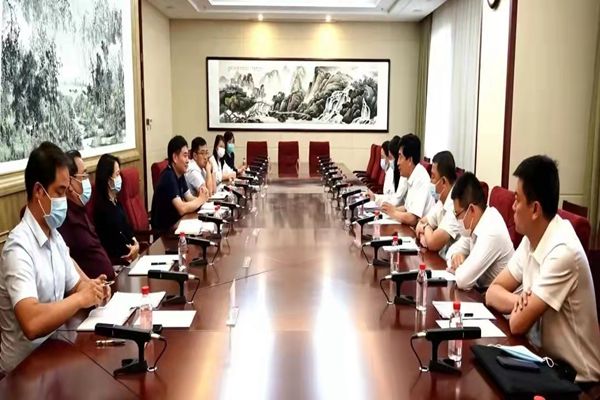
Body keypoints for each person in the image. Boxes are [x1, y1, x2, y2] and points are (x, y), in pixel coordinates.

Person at [486, 155, 600, 383]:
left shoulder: (564, 252)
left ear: (535, 209)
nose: (513, 207)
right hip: (542, 360)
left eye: (517, 200)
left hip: (577, 380)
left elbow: (517, 324)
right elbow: (492, 292)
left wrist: (518, 307)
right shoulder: (531, 239)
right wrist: (517, 301)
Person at [0, 142, 110, 374]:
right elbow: (31, 322)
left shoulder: (54, 237)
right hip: (22, 373)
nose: (65, 200)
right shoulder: (18, 247)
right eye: (59, 192)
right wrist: (80, 299)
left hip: (54, 354)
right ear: (39, 192)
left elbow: (77, 285)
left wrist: (93, 290)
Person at [445, 172, 514, 290]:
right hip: (481, 292)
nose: (457, 220)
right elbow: (450, 251)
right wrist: (455, 256)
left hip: (498, 298)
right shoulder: (475, 224)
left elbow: (463, 280)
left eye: (457, 214)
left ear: (471, 210)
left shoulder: (491, 230)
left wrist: (460, 266)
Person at [57, 150, 115, 279]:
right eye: (83, 176)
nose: (87, 180)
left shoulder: (81, 209)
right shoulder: (63, 218)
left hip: (109, 281)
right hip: (91, 287)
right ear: (69, 182)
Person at [151, 135, 209, 232]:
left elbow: (189, 197)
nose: (188, 160)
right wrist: (200, 200)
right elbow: (181, 208)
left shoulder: (180, 174)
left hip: (177, 225)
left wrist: (204, 200)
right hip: (165, 234)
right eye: (185, 156)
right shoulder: (168, 177)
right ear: (175, 157)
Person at [93, 154, 140, 265]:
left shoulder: (116, 202)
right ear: (108, 179)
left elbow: (127, 229)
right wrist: (132, 250)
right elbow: (113, 242)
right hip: (119, 263)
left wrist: (136, 244)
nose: (120, 178)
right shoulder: (102, 209)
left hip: (131, 258)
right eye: (117, 174)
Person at [381, 134, 434, 226]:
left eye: (400, 157)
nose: (397, 162)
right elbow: (407, 208)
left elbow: (412, 218)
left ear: (410, 160)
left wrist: (393, 212)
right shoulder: (413, 175)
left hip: (422, 231)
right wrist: (389, 209)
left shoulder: (420, 178)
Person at [415, 151, 460, 255]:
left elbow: (432, 243)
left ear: (443, 181)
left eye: (433, 177)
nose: (430, 181)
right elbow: (420, 222)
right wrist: (425, 231)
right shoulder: (441, 201)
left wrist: (425, 227)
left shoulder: (455, 205)